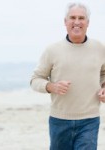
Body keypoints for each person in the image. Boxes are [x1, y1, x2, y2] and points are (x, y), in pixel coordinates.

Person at [30, 2, 105, 150]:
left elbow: (104, 74)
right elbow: (35, 80)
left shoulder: (99, 48)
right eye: (72, 17)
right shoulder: (52, 50)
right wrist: (51, 86)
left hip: (89, 120)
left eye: (81, 18)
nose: (77, 22)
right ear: (65, 22)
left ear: (87, 23)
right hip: (59, 121)